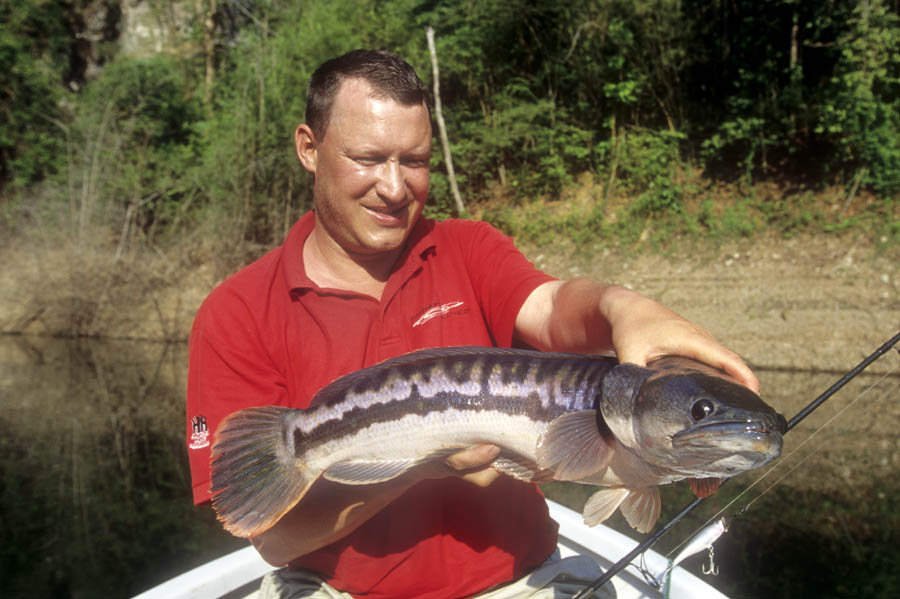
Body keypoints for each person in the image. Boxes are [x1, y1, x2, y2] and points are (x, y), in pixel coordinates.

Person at [185, 49, 759, 599]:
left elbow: (553, 307)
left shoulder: (466, 249)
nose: (393, 186)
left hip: (519, 586)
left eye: (414, 161)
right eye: (367, 159)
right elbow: (275, 539)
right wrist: (417, 470)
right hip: (333, 593)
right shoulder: (236, 313)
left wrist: (623, 308)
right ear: (309, 148)